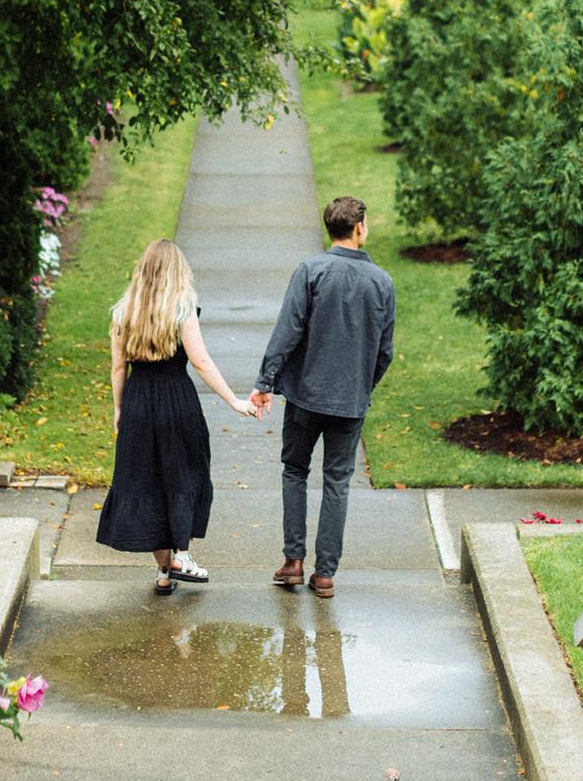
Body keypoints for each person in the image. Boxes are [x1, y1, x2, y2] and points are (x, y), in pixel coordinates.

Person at [249, 195, 394, 599]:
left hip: (305, 396)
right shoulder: (381, 282)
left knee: (295, 471)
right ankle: (325, 572)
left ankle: (293, 561)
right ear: (359, 227)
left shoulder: (310, 271)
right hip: (350, 401)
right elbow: (385, 350)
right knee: (337, 481)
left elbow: (287, 331)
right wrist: (365, 384)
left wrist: (266, 382)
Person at [96, 238, 259, 594]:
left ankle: (164, 571)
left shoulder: (123, 312)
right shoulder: (182, 308)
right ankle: (182, 554)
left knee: (147, 481)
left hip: (139, 402)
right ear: (176, 272)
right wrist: (233, 400)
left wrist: (120, 409)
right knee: (184, 473)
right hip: (176, 402)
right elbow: (200, 361)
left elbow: (117, 369)